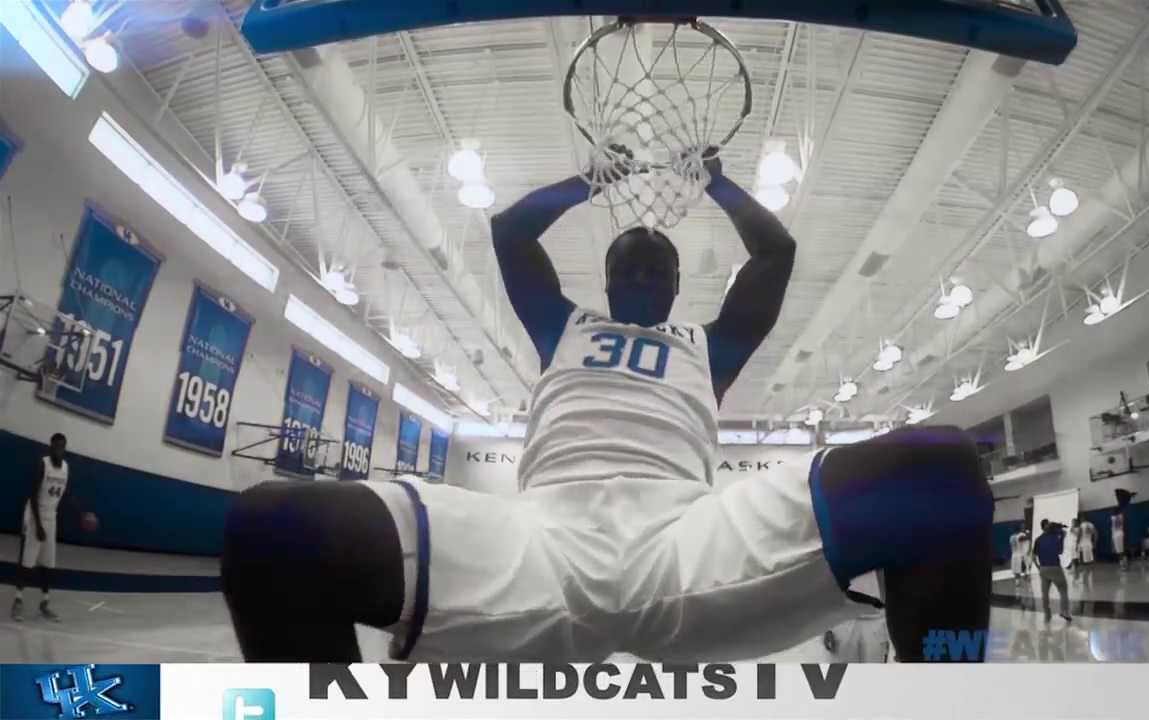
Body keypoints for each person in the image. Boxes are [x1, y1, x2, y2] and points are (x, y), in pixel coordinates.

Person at [220, 148, 994, 663]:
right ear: (611, 276)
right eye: (634, 253)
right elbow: (511, 231)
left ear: (677, 284)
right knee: (270, 530)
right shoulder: (564, 325)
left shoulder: (707, 345)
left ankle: (946, 694)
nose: (649, 255)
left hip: (688, 533)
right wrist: (591, 181)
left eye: (662, 258)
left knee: (945, 468)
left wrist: (717, 182)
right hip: (536, 536)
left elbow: (775, 254)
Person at [11, 433, 83, 622]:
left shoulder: (66, 467)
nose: (59, 450)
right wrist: (39, 525)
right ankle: (17, 600)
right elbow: (33, 496)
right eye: (56, 447)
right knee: (27, 562)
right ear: (50, 447)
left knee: (48, 564)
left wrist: (81, 512)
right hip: (35, 515)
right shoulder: (43, 464)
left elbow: (64, 494)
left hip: (51, 517)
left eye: (62, 447)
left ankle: (45, 603)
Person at [1031, 520, 1071, 625]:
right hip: (1055, 567)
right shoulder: (1054, 537)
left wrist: (1038, 567)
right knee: (1063, 589)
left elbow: (1033, 556)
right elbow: (1060, 551)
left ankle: (1047, 614)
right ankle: (1064, 612)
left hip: (1043, 568)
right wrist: (1062, 537)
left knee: (1045, 593)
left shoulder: (1038, 540)